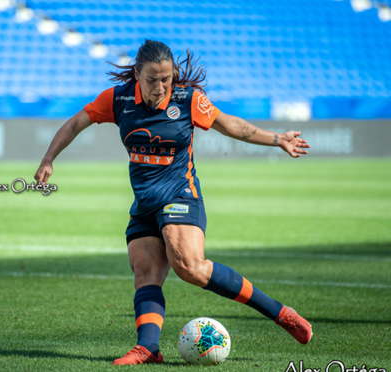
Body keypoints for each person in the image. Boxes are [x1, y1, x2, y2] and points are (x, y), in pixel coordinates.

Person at [34, 39, 312, 365]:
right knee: (145, 272)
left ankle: (281, 314)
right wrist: (48, 158)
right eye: (152, 79)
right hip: (145, 204)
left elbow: (229, 124)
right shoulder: (118, 99)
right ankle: (148, 348)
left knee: (190, 267)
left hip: (181, 195)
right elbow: (75, 123)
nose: (161, 87)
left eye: (166, 79)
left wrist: (278, 139)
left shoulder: (188, 98)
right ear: (137, 74)